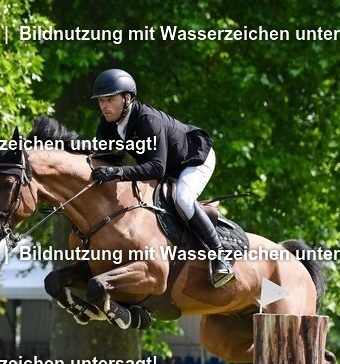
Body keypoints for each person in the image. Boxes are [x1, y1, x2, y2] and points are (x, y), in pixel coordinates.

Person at [89, 68, 235, 287]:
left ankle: (220, 257)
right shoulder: (107, 123)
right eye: (101, 101)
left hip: (194, 159)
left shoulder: (147, 119)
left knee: (183, 199)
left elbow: (156, 168)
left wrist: (118, 173)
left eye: (110, 99)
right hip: (167, 166)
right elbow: (101, 154)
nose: (104, 106)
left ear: (127, 98)